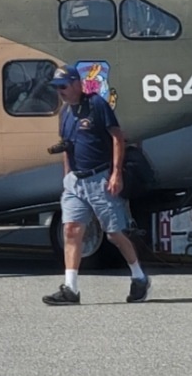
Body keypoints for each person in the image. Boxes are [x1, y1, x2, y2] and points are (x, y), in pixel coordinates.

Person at [44, 65, 150, 306]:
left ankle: (139, 277)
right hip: (75, 182)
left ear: (76, 84)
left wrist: (116, 174)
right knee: (71, 229)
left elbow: (116, 137)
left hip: (99, 178)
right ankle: (71, 288)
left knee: (114, 234)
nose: (60, 92)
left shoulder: (96, 105)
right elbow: (66, 146)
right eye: (56, 88)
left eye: (63, 86)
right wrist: (66, 176)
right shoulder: (65, 113)